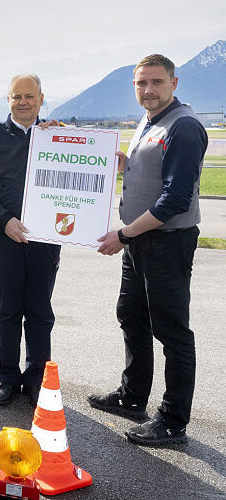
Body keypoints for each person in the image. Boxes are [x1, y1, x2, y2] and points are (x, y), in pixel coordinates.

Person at [91, 54, 207, 446]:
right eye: (141, 83)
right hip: (142, 239)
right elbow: (151, 171)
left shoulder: (184, 126)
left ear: (174, 84)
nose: (148, 90)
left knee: (171, 331)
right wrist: (120, 163)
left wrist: (123, 234)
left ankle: (173, 421)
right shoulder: (149, 120)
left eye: (156, 82)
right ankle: (132, 397)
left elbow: (174, 199)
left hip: (166, 241)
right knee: (132, 316)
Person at [0, 74, 61, 406]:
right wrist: (3, 221)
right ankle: (8, 378)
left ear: (41, 98)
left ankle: (36, 380)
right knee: (9, 310)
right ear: (8, 99)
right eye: (16, 96)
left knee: (39, 311)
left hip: (45, 238)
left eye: (30, 96)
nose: (23, 102)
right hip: (4, 238)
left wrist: (66, 137)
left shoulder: (56, 137)